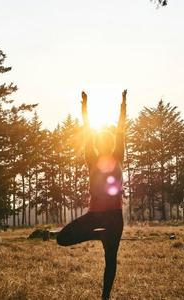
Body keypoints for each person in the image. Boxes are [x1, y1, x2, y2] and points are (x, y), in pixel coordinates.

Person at [57, 90, 127, 300]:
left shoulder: (107, 157)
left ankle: (105, 297)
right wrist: (86, 109)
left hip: (103, 215)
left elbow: (117, 133)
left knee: (108, 258)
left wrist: (87, 108)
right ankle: (100, 237)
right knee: (109, 259)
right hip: (109, 216)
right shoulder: (101, 158)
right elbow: (116, 132)